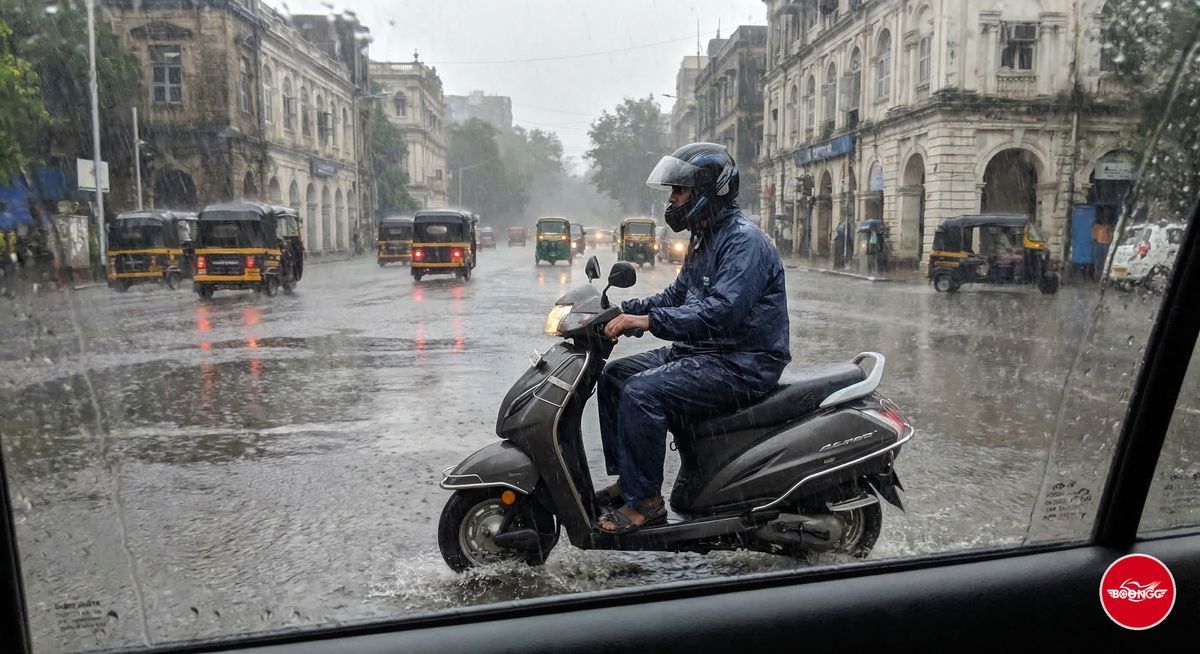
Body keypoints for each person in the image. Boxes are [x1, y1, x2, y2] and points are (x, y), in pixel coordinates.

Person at [594, 142, 791, 534]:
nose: (672, 200)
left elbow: (721, 312)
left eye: (680, 191)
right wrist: (621, 309)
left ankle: (646, 502)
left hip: (742, 362)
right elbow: (677, 294)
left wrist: (648, 322)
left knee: (641, 392)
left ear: (706, 192)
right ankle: (628, 482)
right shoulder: (706, 236)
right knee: (614, 378)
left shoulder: (742, 241)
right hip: (706, 352)